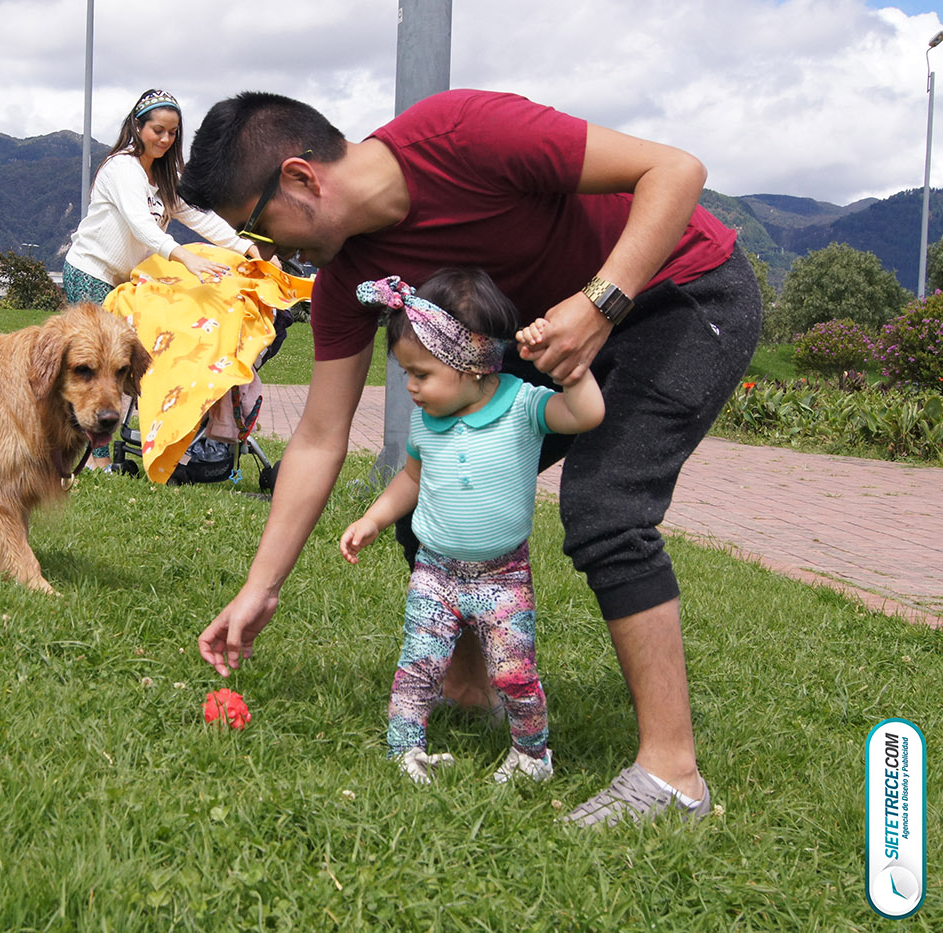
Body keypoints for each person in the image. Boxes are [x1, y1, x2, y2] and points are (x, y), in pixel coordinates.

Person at [181, 90, 762, 826]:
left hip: (679, 291)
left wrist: (597, 306)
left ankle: (673, 775)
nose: (269, 254)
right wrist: (261, 586)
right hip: (559, 340)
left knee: (605, 507)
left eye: (259, 229)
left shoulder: (461, 135)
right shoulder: (348, 280)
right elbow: (321, 434)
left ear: (299, 178)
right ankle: (468, 690)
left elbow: (675, 171)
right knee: (428, 484)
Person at [340, 269, 604, 786]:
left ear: (473, 364)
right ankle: (405, 749)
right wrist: (374, 517)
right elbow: (412, 477)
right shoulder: (425, 421)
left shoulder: (524, 406)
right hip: (434, 569)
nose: (410, 387)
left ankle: (532, 758)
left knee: (515, 675)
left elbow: (588, 414)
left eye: (421, 374)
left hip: (502, 577)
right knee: (418, 664)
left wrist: (570, 369)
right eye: (405, 373)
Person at [63, 88, 261, 468]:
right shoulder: (123, 168)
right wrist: (185, 257)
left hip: (126, 281)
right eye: (158, 130)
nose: (165, 139)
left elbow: (199, 217)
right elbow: (140, 225)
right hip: (91, 270)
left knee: (129, 362)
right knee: (102, 366)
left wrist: (243, 247)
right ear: (137, 127)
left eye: (172, 133)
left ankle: (137, 440)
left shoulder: (166, 176)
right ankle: (95, 460)